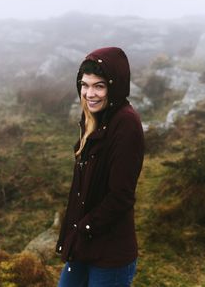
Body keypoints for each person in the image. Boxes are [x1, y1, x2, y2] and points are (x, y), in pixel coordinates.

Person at [56, 47, 144, 287]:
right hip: (83, 245)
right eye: (85, 85)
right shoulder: (93, 118)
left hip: (110, 254)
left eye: (99, 86)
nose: (89, 93)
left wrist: (84, 226)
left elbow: (121, 196)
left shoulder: (126, 124)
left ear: (114, 87)